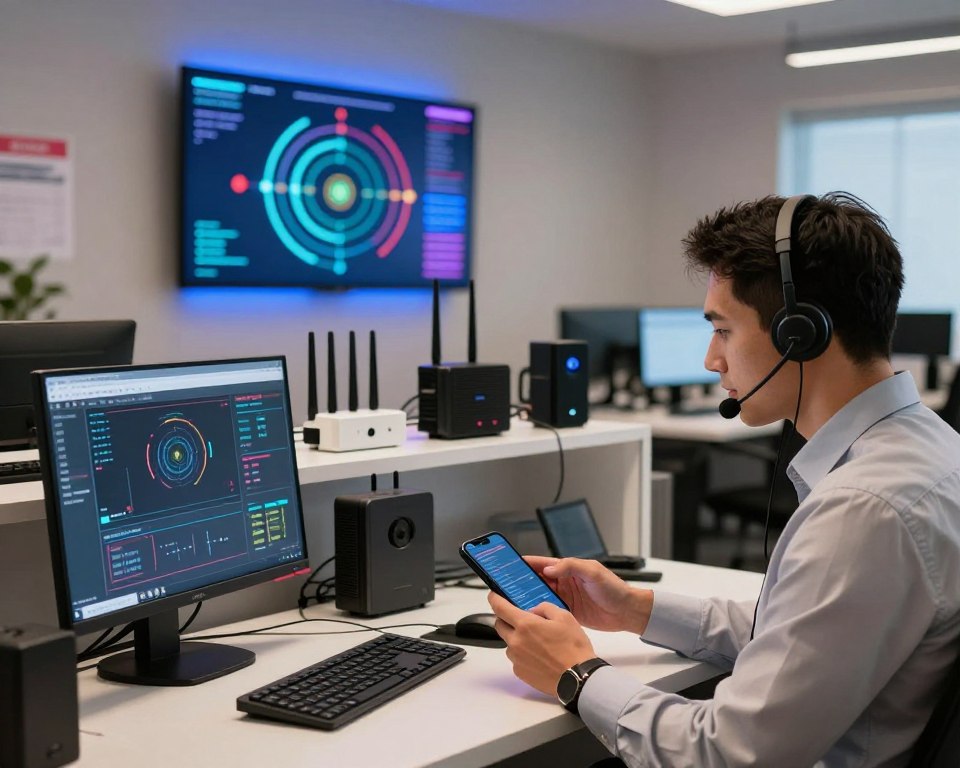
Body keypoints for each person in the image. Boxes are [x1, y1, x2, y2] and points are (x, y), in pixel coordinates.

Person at [488, 192, 960, 767]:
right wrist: (635, 608)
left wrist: (577, 674)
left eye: (723, 329)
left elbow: (728, 754)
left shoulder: (864, 509)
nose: (712, 359)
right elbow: (805, 638)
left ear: (800, 334)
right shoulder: (930, 449)